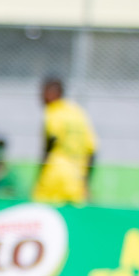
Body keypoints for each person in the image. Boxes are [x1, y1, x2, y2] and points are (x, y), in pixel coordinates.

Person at [32, 76, 96, 206]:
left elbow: (51, 142)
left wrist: (40, 174)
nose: (40, 97)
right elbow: (92, 150)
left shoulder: (53, 111)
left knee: (42, 213)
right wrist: (85, 183)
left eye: (43, 92)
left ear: (52, 93)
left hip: (55, 176)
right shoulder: (78, 112)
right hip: (77, 179)